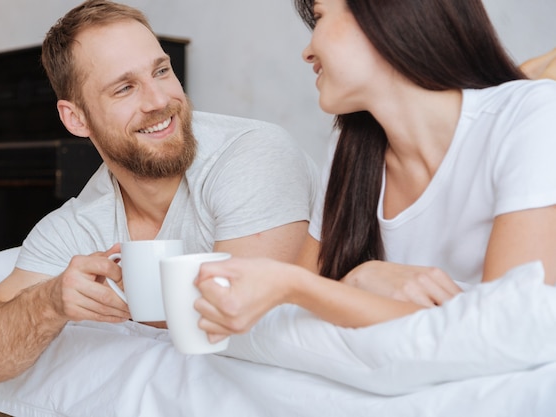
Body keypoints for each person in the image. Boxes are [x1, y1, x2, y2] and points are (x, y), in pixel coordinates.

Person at [0, 0, 318, 386]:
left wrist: (134, 302)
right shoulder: (83, 222)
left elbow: (243, 320)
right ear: (77, 118)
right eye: (124, 88)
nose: (159, 101)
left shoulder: (252, 153)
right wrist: (51, 301)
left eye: (161, 71)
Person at [194, 0, 556, 341]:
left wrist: (300, 286)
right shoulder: (349, 151)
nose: (307, 51)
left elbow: (509, 328)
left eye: (319, 17)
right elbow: (292, 319)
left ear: (381, 14)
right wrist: (357, 281)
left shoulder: (531, 116)